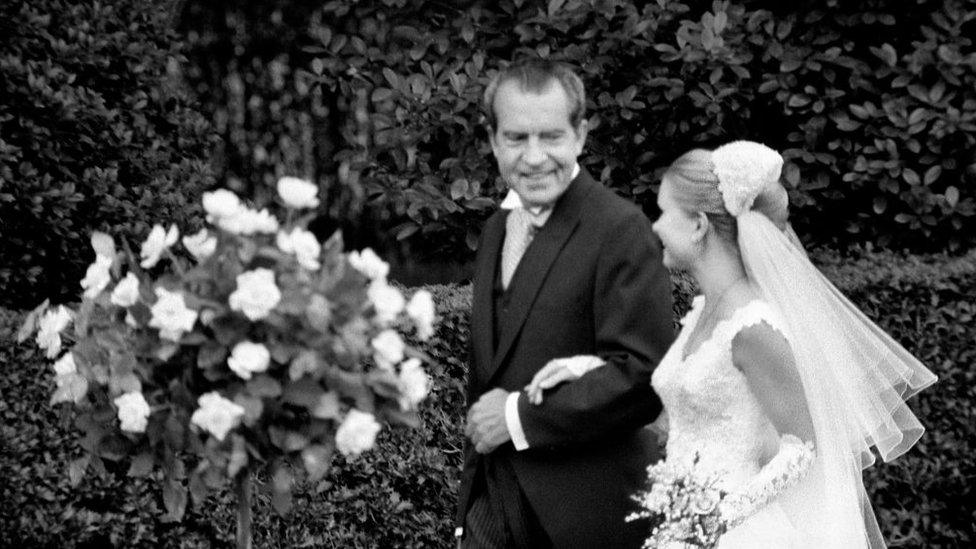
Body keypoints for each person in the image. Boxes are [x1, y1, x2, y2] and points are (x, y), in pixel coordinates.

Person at [526, 141, 937, 548]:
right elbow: (680, 412)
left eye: (664, 213)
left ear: (699, 224)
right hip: (682, 524)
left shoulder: (753, 328)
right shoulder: (704, 311)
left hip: (736, 531)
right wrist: (589, 372)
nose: (655, 227)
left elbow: (802, 448)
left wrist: (715, 522)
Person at [455, 58, 675, 548]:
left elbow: (646, 376)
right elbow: (486, 376)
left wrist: (518, 419)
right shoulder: (496, 230)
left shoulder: (620, 229)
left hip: (586, 518)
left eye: (550, 136)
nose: (534, 157)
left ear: (580, 134)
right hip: (494, 509)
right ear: (493, 141)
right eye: (516, 138)